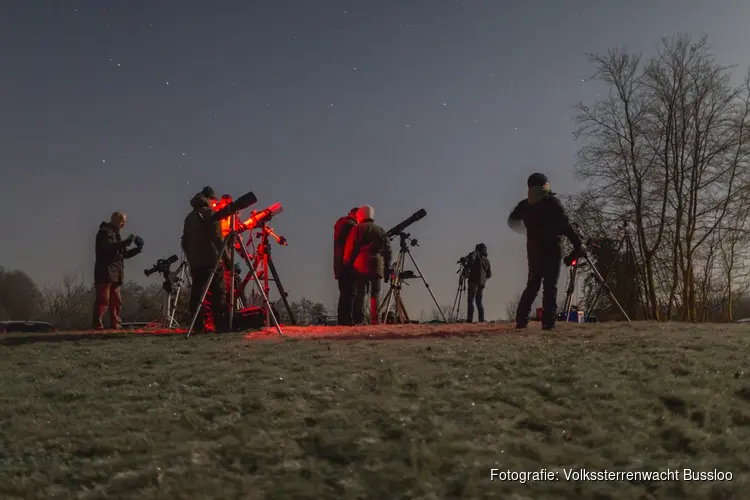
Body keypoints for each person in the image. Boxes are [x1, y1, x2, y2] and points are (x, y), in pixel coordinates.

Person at [508, 173, 583, 330]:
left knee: (532, 285)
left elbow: (512, 219)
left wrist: (526, 230)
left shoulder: (525, 205)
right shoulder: (552, 202)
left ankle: (521, 319)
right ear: (544, 185)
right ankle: (548, 322)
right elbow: (565, 225)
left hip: (534, 249)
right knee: (550, 286)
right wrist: (578, 244)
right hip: (553, 248)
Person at [181, 186, 230, 333]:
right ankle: (220, 325)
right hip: (212, 259)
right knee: (219, 292)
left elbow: (184, 241)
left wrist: (191, 258)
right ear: (209, 198)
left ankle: (198, 325)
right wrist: (227, 257)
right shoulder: (210, 213)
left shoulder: (189, 217)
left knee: (197, 293)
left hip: (196, 261)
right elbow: (217, 238)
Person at [93, 211, 143, 329]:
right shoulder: (104, 232)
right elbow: (107, 249)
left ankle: (115, 324)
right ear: (114, 219)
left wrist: (137, 249)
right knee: (103, 301)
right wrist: (125, 242)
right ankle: (98, 325)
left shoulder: (116, 235)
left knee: (116, 301)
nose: (123, 225)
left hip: (117, 273)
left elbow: (123, 254)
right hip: (105, 272)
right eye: (122, 222)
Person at [343, 205, 392, 325]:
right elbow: (388, 251)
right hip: (377, 265)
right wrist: (387, 267)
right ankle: (376, 319)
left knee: (361, 293)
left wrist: (347, 263)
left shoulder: (356, 229)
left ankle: (360, 320)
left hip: (360, 265)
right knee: (375, 294)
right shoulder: (380, 230)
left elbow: (349, 248)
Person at [333, 207, 359, 325]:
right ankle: (346, 321)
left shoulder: (341, 224)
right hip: (347, 266)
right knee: (349, 293)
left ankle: (344, 320)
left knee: (345, 293)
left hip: (340, 266)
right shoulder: (350, 226)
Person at [464, 243, 492, 323]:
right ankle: (481, 320)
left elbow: (471, 256)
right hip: (482, 284)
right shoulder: (487, 261)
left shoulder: (475, 253)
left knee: (470, 300)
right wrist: (483, 279)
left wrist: (467, 266)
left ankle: (469, 320)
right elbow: (489, 274)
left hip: (473, 281)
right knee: (479, 302)